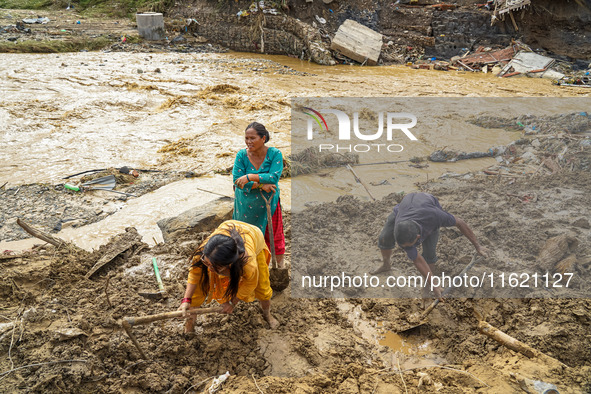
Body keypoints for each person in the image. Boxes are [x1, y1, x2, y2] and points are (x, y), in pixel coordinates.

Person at [373, 192, 489, 299]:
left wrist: (477, 246)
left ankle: (426, 287)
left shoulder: (436, 216)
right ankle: (386, 264)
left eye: (409, 246)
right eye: (404, 246)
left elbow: (460, 222)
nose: (407, 249)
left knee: (429, 253)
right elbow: (417, 260)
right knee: (384, 238)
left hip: (428, 207)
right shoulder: (400, 226)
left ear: (418, 237)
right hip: (405, 207)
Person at [179, 220, 280, 332]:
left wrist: (232, 303)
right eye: (206, 263)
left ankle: (267, 314)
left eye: (213, 267)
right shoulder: (204, 253)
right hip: (226, 233)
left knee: (263, 288)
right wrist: (186, 300)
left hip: (254, 236)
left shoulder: (248, 263)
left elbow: (251, 283)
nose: (209, 268)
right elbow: (194, 274)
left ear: (229, 265)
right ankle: (190, 325)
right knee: (198, 288)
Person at [233, 122, 286, 268]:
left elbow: (274, 177)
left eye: (252, 138)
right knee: (245, 238)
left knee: (274, 236)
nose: (249, 142)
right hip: (246, 205)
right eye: (246, 138)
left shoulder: (275, 154)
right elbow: (237, 181)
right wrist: (262, 184)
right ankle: (248, 267)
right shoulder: (241, 156)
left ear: (263, 138)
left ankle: (278, 267)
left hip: (269, 203)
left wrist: (250, 177)